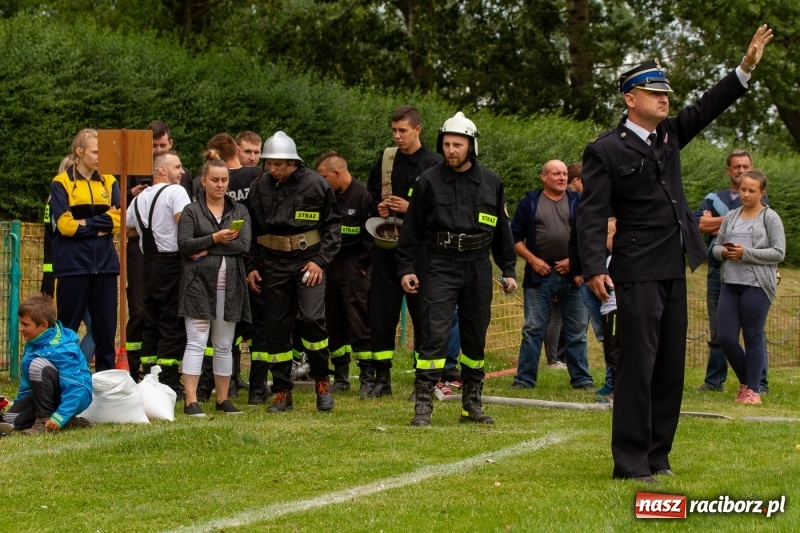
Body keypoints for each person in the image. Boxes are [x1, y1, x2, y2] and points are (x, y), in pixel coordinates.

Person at [577, 25, 773, 483]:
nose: (665, 100)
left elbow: (706, 108)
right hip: (635, 269)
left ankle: (658, 456)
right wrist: (592, 268)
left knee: (668, 368)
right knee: (637, 367)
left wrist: (743, 70)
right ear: (630, 98)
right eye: (653, 92)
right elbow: (591, 215)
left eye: (666, 93)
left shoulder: (667, 137)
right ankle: (629, 462)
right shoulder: (605, 149)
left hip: (672, 265)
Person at [397, 111, 517, 427]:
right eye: (447, 144)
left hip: (478, 267)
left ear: (471, 146)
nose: (451, 150)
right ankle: (423, 406)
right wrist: (406, 268)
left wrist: (508, 270)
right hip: (440, 265)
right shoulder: (428, 182)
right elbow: (411, 231)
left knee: (474, 338)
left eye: (458, 144)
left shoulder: (492, 182)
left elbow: (503, 231)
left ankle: (471, 406)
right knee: (434, 335)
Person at [246, 131, 342, 413]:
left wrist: (320, 261)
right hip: (273, 265)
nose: (272, 169)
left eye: (278, 164)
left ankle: (322, 381)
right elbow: (253, 231)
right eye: (269, 163)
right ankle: (281, 391)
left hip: (308, 262)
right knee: (277, 328)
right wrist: (252, 266)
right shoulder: (259, 187)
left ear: (292, 162)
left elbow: (332, 227)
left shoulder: (316, 185)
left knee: (312, 320)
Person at [367, 105, 441, 397]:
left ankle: (423, 382)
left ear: (417, 130)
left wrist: (411, 209)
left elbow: (442, 212)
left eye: (403, 131)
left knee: (423, 315)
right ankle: (381, 380)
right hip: (386, 249)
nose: (397, 136)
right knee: (380, 314)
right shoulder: (386, 160)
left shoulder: (434, 165)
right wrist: (381, 206)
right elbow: (371, 196)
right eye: (394, 131)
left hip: (422, 251)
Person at [178, 150, 252, 416]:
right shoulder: (191, 211)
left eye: (224, 180)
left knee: (224, 343)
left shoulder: (239, 210)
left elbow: (244, 245)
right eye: (215, 180)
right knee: (196, 341)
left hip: (230, 285)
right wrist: (216, 238)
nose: (220, 185)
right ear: (203, 181)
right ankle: (190, 400)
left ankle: (223, 399)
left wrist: (210, 248)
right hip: (198, 285)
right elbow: (184, 246)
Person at [510, 160, 594, 391]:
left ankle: (582, 380)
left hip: (572, 277)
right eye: (556, 173)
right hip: (539, 276)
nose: (562, 178)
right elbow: (514, 236)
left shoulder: (578, 202)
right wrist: (533, 260)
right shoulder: (530, 202)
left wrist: (573, 262)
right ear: (543, 176)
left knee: (577, 331)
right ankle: (524, 379)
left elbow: (590, 236)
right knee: (533, 329)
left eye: (565, 174)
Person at [195, 133, 262, 401]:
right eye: (248, 151)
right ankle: (245, 385)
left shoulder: (250, 179)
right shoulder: (257, 176)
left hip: (231, 260)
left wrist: (208, 246)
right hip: (253, 259)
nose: (253, 157)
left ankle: (224, 383)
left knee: (222, 329)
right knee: (236, 326)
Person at [695, 150, 768, 393]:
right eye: (736, 166)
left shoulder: (762, 202)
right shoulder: (713, 197)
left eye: (745, 166)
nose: (740, 170)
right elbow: (699, 225)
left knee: (753, 332)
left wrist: (717, 222)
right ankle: (715, 380)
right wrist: (730, 220)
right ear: (728, 170)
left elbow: (760, 233)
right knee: (720, 332)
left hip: (752, 274)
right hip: (719, 273)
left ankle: (759, 382)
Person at [50, 128, 120, 372]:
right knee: (67, 328)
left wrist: (87, 224)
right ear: (79, 152)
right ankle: (63, 381)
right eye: (96, 151)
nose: (101, 156)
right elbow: (65, 226)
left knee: (106, 329)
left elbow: (121, 219)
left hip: (105, 265)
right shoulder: (61, 183)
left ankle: (105, 385)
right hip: (73, 265)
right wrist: (103, 224)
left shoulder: (110, 180)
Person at [713, 170, 784, 405]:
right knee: (725, 337)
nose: (746, 194)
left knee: (752, 336)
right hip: (730, 284)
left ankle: (753, 390)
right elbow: (715, 247)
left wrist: (746, 254)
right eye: (743, 189)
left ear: (761, 192)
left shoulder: (769, 217)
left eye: (751, 190)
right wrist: (724, 252)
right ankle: (746, 382)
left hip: (756, 285)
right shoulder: (732, 216)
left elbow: (778, 252)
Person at [127, 120, 190, 381]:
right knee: (172, 322)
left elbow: (128, 229)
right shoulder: (176, 191)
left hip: (147, 263)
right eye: (177, 167)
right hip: (172, 263)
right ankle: (168, 380)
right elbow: (184, 225)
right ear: (162, 170)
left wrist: (147, 232)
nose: (182, 171)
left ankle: (147, 374)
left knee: (150, 321)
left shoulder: (140, 197)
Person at [316, 151, 374, 394]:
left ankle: (367, 378)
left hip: (354, 267)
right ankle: (340, 376)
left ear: (337, 173)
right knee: (332, 321)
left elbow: (372, 234)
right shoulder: (326, 196)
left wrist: (363, 264)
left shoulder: (363, 195)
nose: (321, 181)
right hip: (329, 264)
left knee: (358, 321)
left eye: (324, 176)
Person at [1, 295, 92, 434]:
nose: (20, 328)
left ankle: (43, 421)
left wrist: (59, 417)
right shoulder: (34, 342)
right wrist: (20, 405)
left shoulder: (62, 348)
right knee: (10, 420)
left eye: (25, 324)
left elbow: (75, 387)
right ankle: (70, 422)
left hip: (75, 395)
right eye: (21, 323)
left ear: (43, 325)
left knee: (38, 365)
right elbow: (27, 384)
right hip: (46, 395)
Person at [43, 155, 96, 364]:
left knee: (82, 328)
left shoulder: (52, 200)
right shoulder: (60, 200)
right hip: (68, 270)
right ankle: (71, 367)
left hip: (65, 270)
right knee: (69, 329)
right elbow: (68, 231)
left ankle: (68, 366)